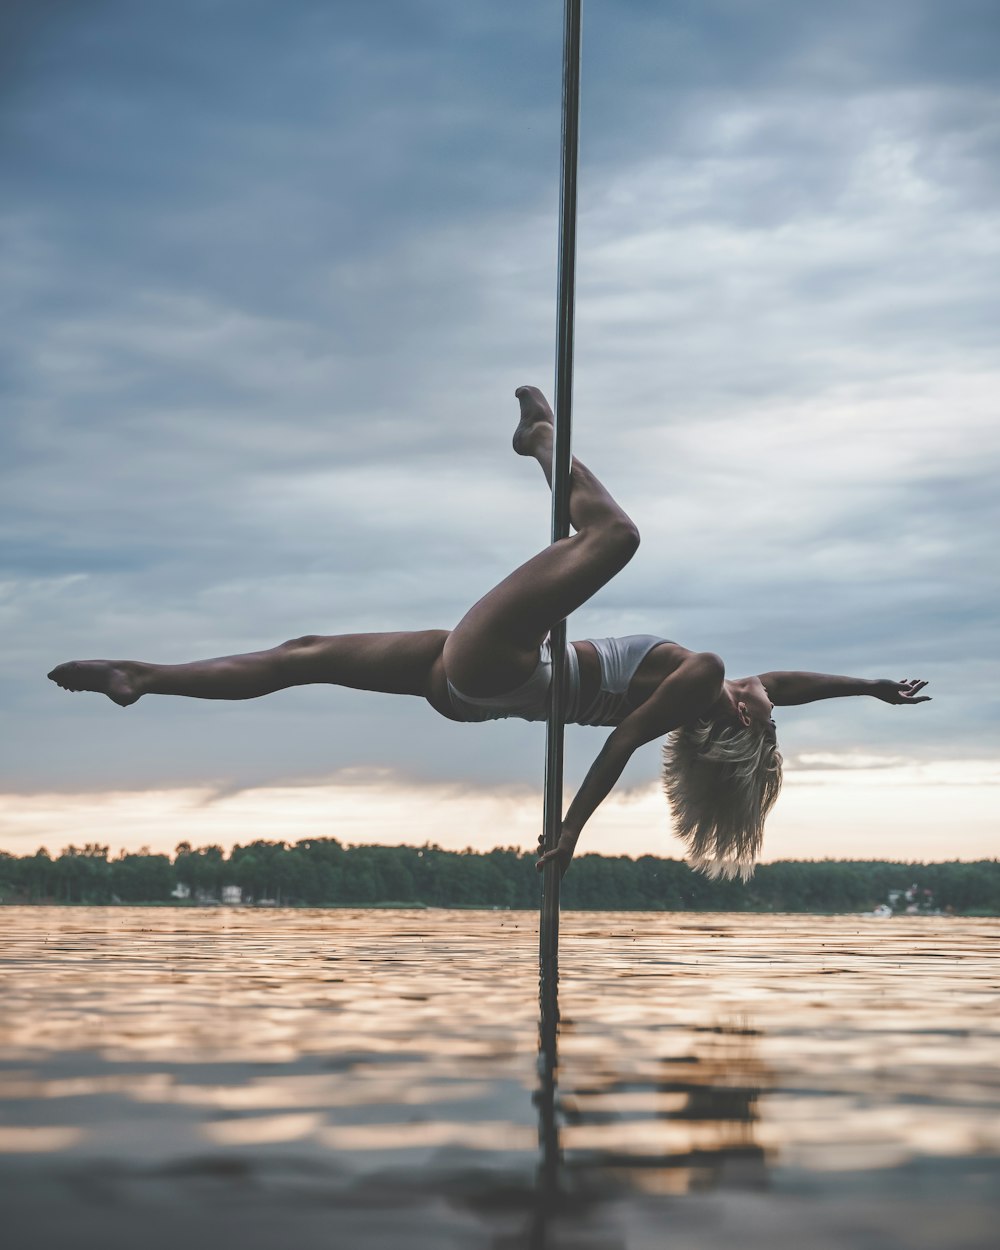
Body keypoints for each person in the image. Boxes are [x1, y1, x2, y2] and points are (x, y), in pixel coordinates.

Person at [48, 386, 930, 879]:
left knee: (616, 538)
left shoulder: (703, 678)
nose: (764, 689)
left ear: (734, 721)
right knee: (304, 654)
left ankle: (539, 440)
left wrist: (571, 832)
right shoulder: (705, 700)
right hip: (474, 688)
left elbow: (622, 742)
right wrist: (872, 687)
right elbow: (796, 686)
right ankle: (142, 676)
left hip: (498, 667)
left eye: (759, 706)